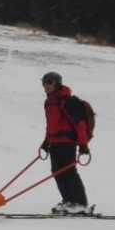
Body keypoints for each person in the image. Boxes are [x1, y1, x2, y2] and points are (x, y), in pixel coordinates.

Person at [39, 71, 92, 215]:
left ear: (57, 83)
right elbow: (50, 124)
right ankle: (68, 201)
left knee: (69, 172)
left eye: (49, 82)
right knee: (57, 172)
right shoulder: (49, 102)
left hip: (67, 143)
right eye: (44, 82)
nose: (46, 85)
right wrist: (46, 141)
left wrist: (83, 144)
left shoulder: (68, 101)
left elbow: (80, 124)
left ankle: (80, 204)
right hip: (54, 143)